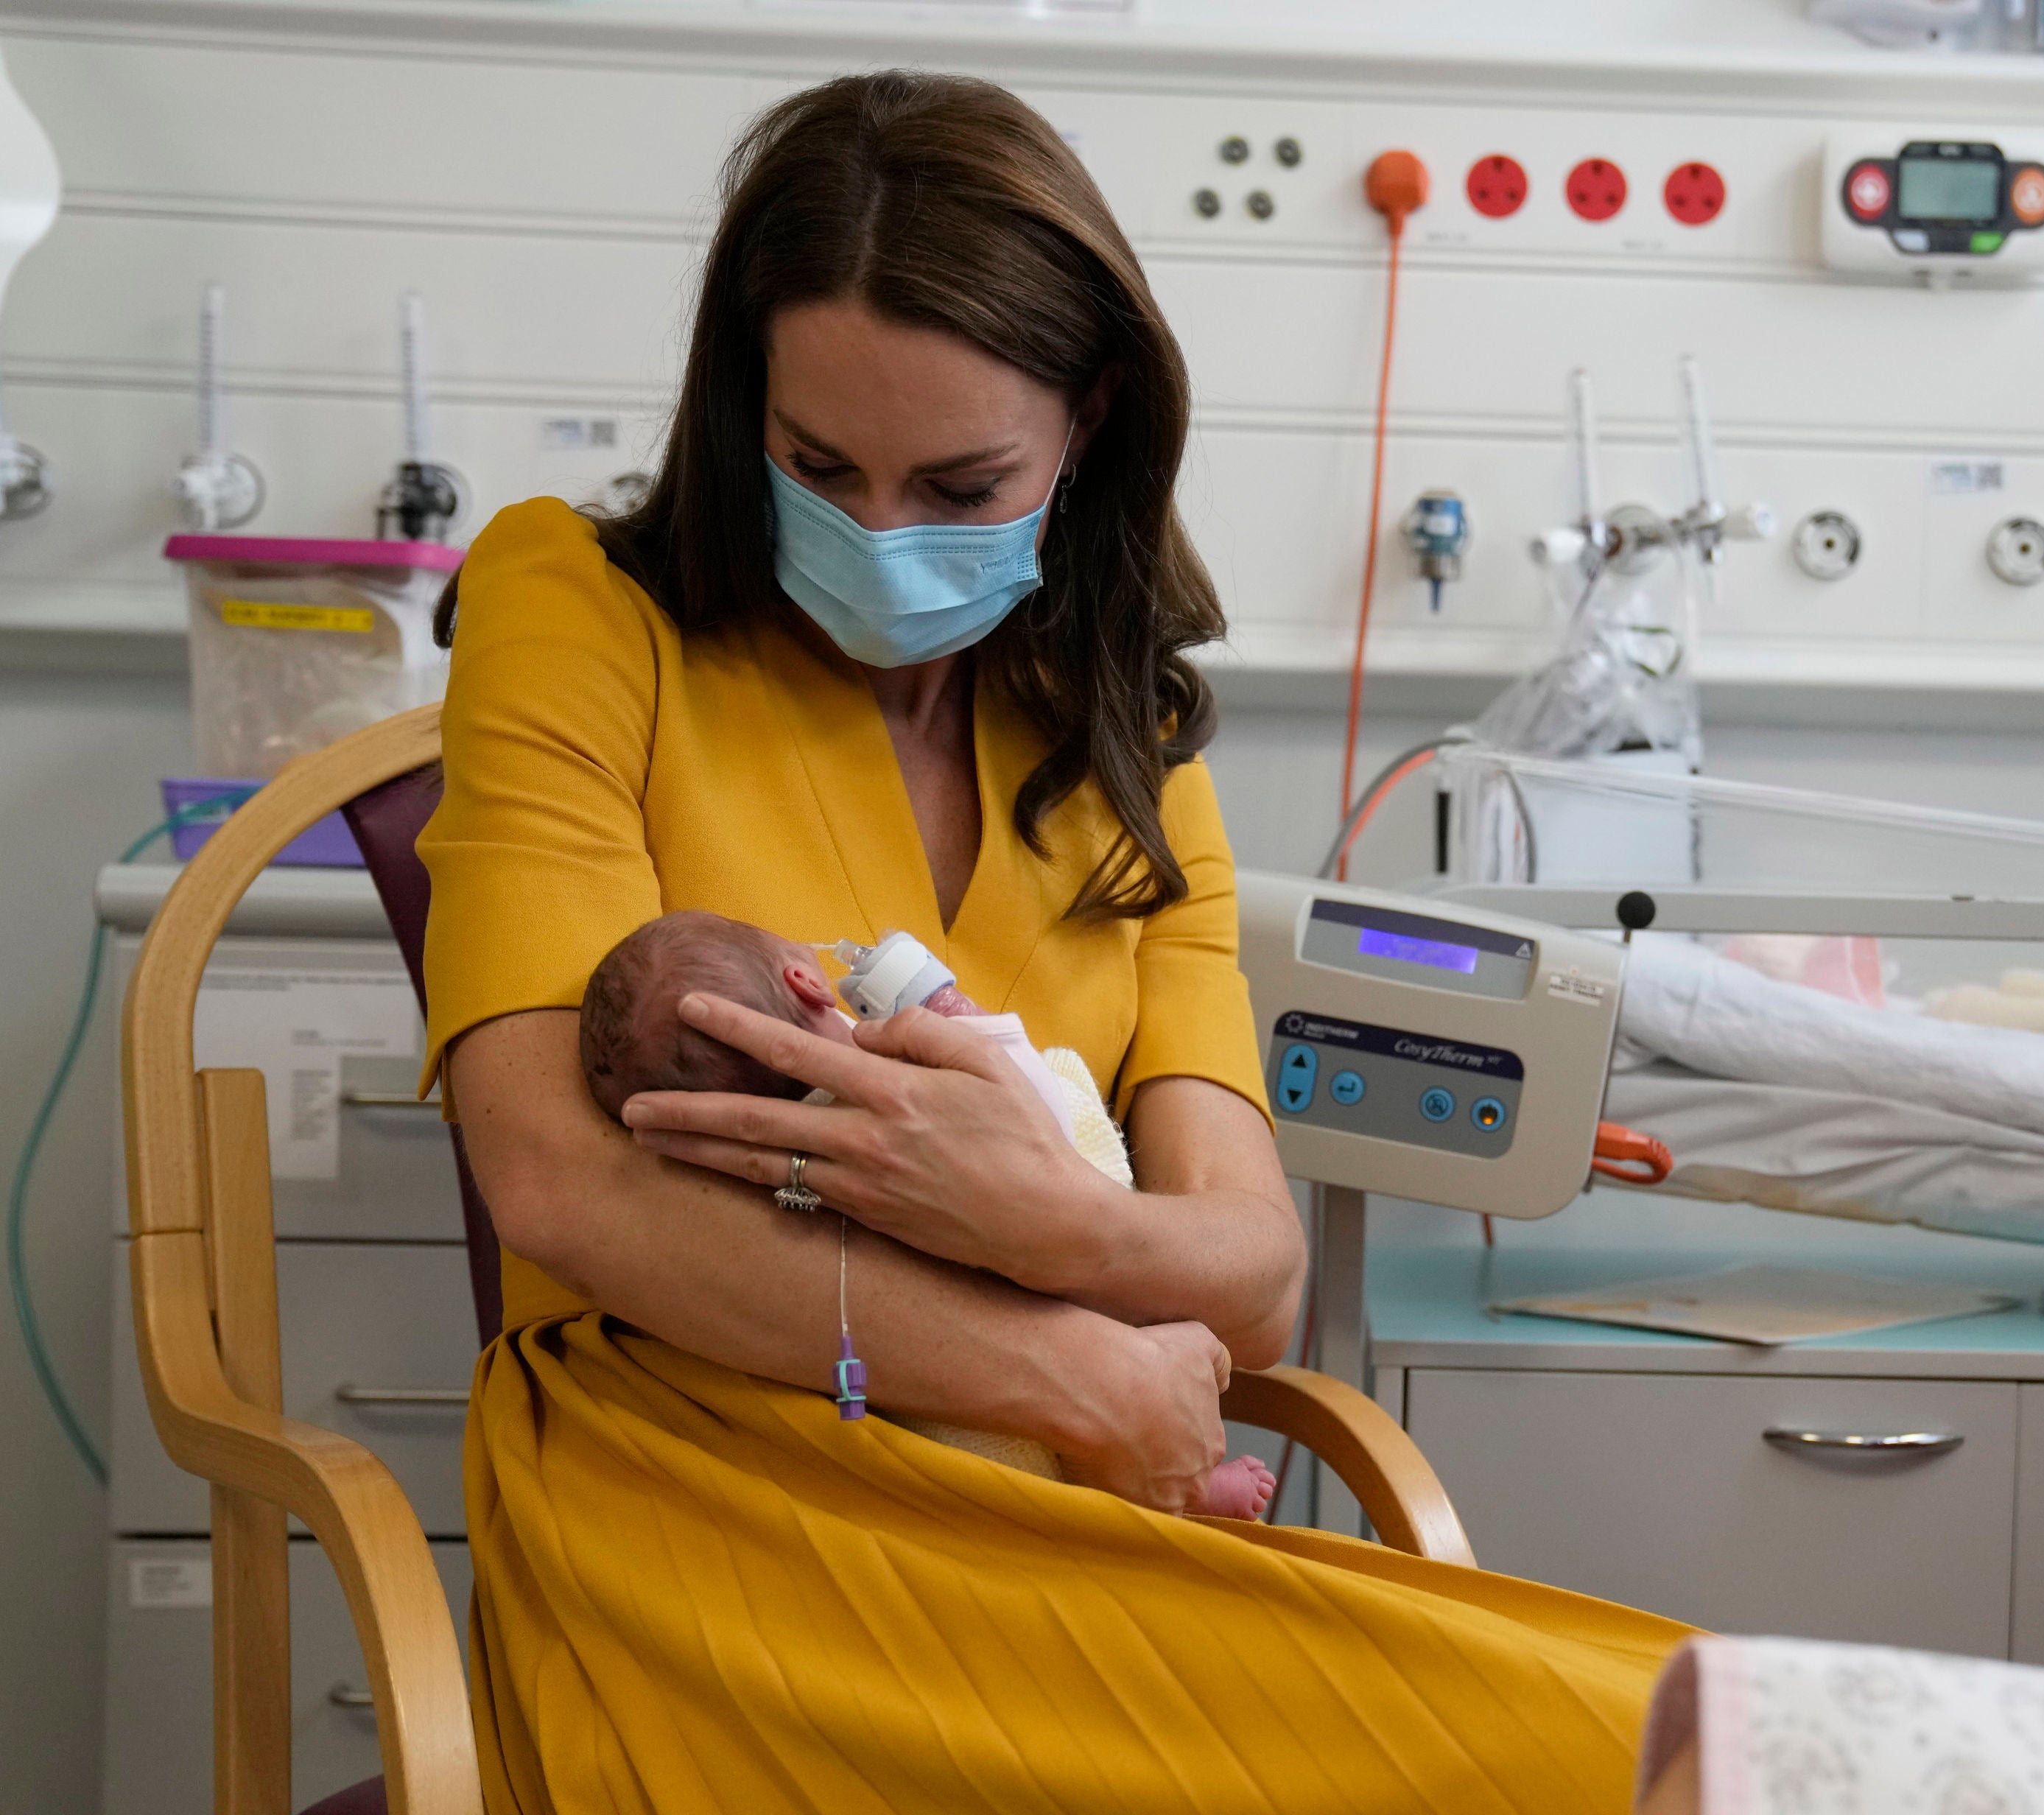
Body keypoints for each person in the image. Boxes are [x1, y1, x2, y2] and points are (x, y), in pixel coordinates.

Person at [422, 69, 1693, 1814]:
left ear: (1088, 424)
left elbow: (1254, 1280)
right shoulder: (574, 607)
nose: (877, 538)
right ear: (745, 416)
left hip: (1066, 1498)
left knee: (1674, 1736)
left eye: (958, 483)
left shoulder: (1124, 748)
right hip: (699, 1504)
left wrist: (1047, 1220)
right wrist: (1073, 1359)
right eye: (817, 468)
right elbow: (563, 1191)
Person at [574, 908, 1277, 1517]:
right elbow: (1035, 1106)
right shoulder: (915, 1062)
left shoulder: (746, 1174)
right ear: (807, 981)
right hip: (1082, 1333)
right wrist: (954, 1013)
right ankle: (1188, 1492)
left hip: (920, 1443)